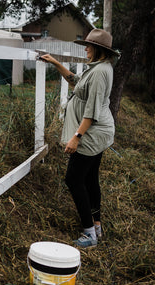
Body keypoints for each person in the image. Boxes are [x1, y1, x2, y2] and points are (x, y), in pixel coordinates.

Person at [39, 28, 117, 248]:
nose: (85, 48)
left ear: (99, 50)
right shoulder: (97, 69)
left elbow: (91, 110)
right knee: (90, 178)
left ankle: (89, 234)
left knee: (73, 179)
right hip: (97, 131)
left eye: (88, 46)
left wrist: (76, 137)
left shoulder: (100, 72)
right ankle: (97, 226)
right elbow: (75, 80)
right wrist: (55, 62)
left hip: (92, 133)